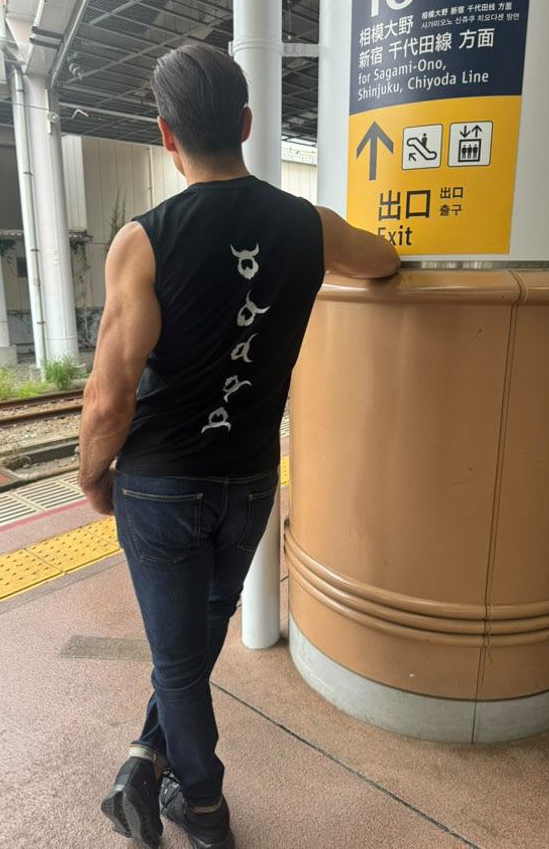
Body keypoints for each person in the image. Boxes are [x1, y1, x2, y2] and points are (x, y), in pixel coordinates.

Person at [78, 44, 399, 849]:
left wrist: (91, 477)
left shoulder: (143, 241)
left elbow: (110, 395)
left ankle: (208, 810)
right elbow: (384, 260)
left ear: (166, 136)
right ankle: (145, 758)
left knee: (181, 657)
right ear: (248, 123)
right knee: (202, 629)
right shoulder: (307, 224)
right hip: (251, 479)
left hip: (160, 486)